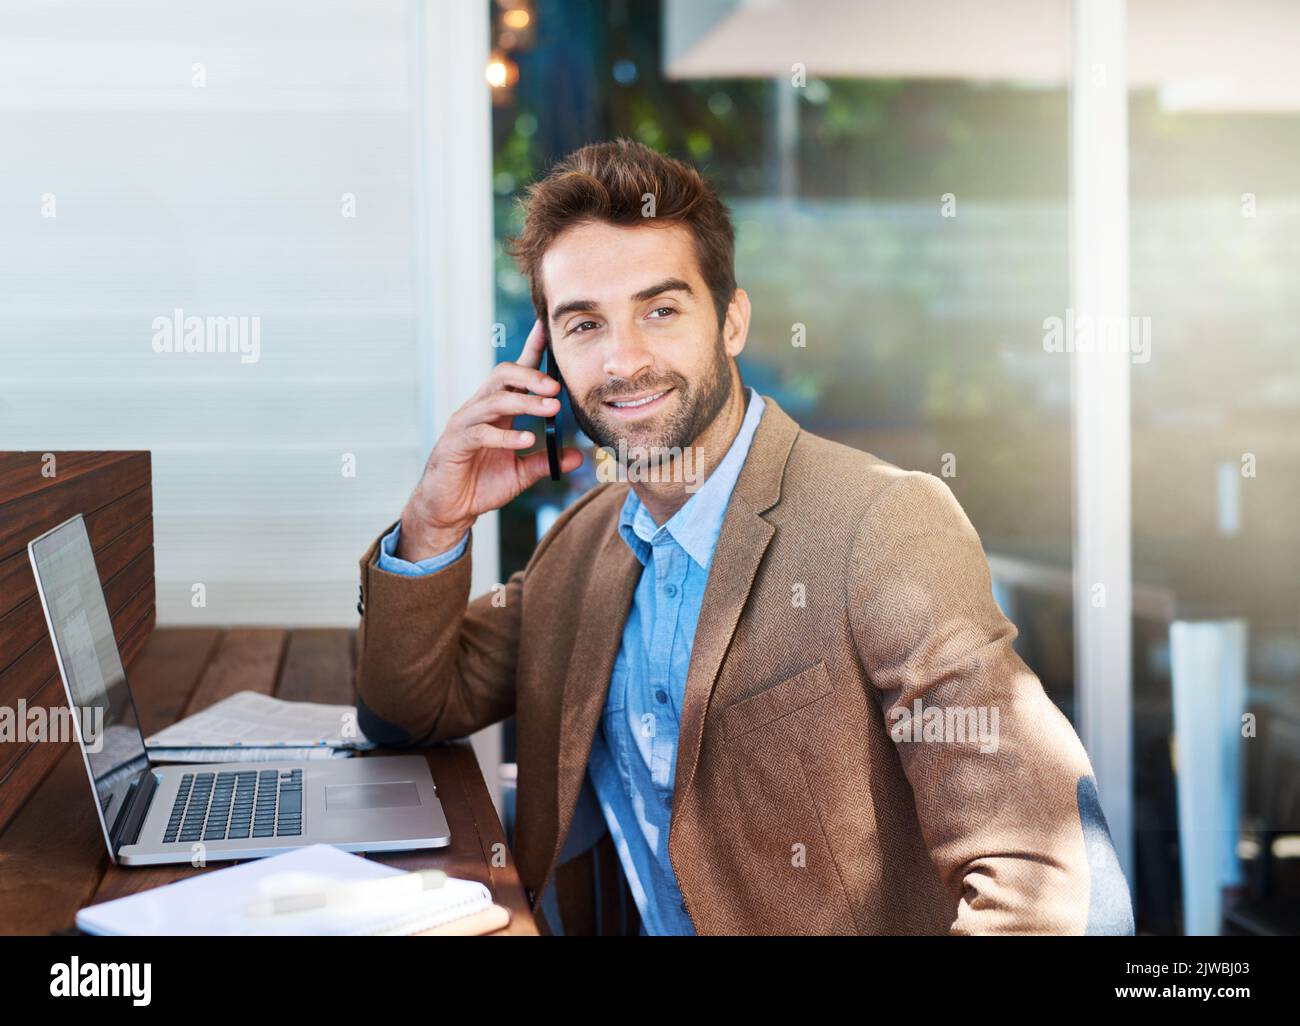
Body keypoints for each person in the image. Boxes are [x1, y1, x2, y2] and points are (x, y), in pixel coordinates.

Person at [353, 138, 1134, 936]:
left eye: (661, 310)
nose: (624, 360)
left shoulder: (881, 524)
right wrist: (434, 520)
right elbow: (405, 712)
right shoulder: (582, 546)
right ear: (547, 355)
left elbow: (1052, 880)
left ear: (731, 321)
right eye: (584, 324)